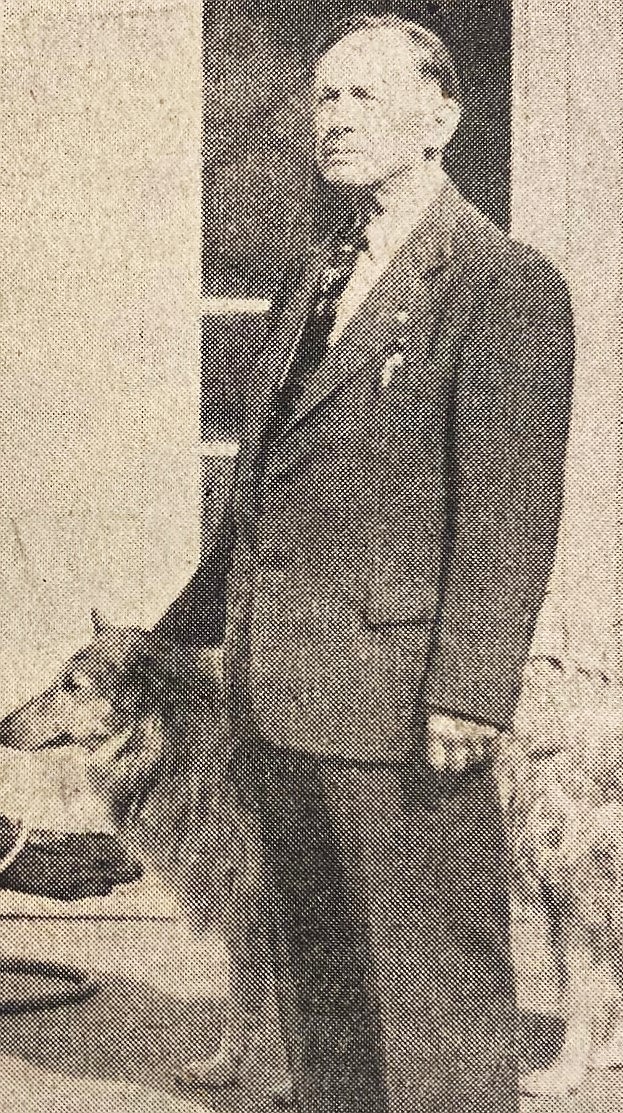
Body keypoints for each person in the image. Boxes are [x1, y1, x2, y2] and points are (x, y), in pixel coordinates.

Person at [156, 14, 575, 1112]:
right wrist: (168, 645)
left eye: (363, 97)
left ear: (439, 119)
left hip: (402, 711)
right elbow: (266, 492)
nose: (332, 118)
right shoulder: (314, 277)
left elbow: (510, 511)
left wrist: (471, 695)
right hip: (281, 695)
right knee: (328, 995)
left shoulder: (501, 284)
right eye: (323, 98)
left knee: (430, 994)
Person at [0, 813, 142, 899]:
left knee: (65, 870)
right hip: (14, 857)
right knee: (65, 873)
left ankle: (107, 861)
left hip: (15, 851)